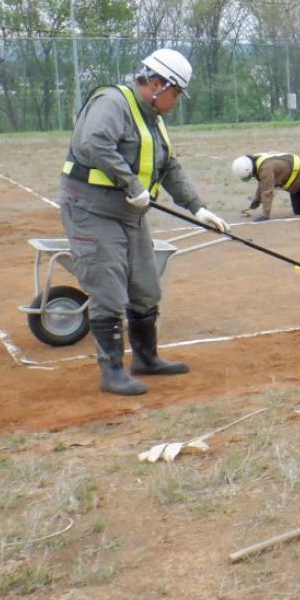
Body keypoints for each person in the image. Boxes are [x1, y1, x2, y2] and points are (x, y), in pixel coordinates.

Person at [60, 49, 230, 396]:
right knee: (108, 290)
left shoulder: (153, 118)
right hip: (92, 210)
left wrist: (197, 208)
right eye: (176, 93)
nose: (177, 101)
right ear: (157, 84)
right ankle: (111, 373)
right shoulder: (112, 103)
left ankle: (146, 358)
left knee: (146, 288)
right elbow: (93, 143)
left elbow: (168, 167)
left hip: (130, 213)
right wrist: (132, 184)